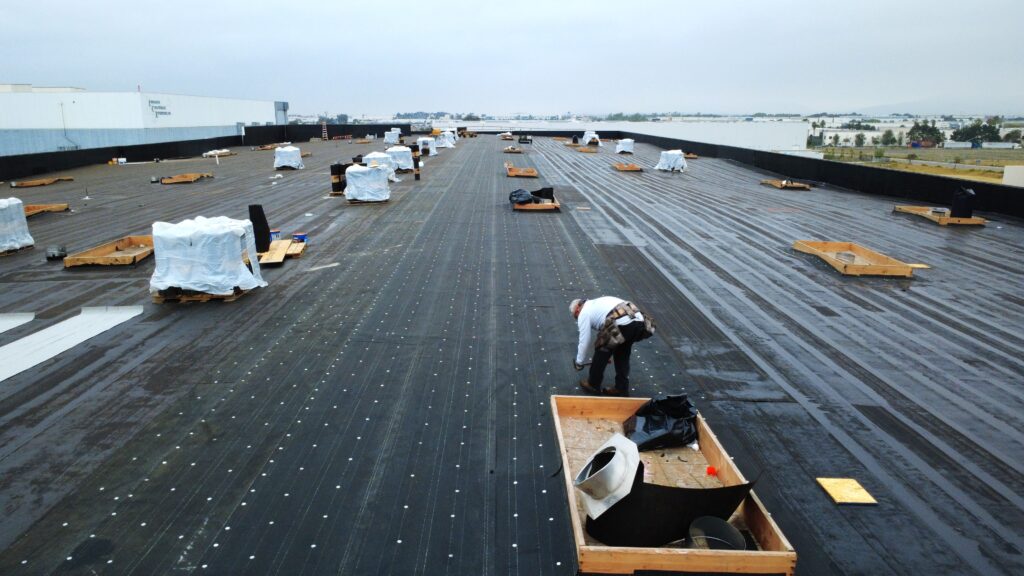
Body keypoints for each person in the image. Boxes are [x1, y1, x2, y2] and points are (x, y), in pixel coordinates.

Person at [570, 297, 653, 396]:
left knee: (601, 350)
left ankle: (593, 384)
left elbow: (584, 340)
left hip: (621, 321)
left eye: (576, 316)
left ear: (578, 309)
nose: (577, 319)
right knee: (622, 354)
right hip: (639, 322)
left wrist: (579, 362)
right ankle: (621, 388)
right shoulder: (597, 302)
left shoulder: (584, 312)